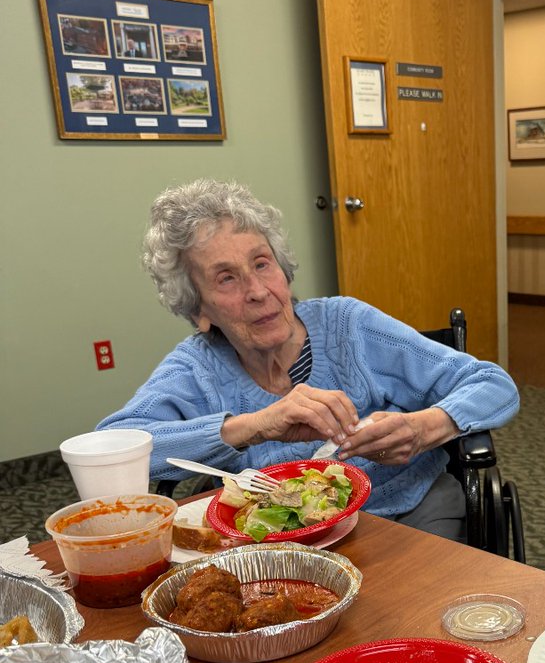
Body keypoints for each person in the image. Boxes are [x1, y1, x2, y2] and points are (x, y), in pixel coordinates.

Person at [98, 178, 520, 541]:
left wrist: (423, 428)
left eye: (262, 264)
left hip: (405, 511)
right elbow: (107, 451)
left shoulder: (348, 326)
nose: (258, 290)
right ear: (198, 310)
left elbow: (493, 385)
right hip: (280, 543)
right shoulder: (197, 368)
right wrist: (253, 427)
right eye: (226, 278)